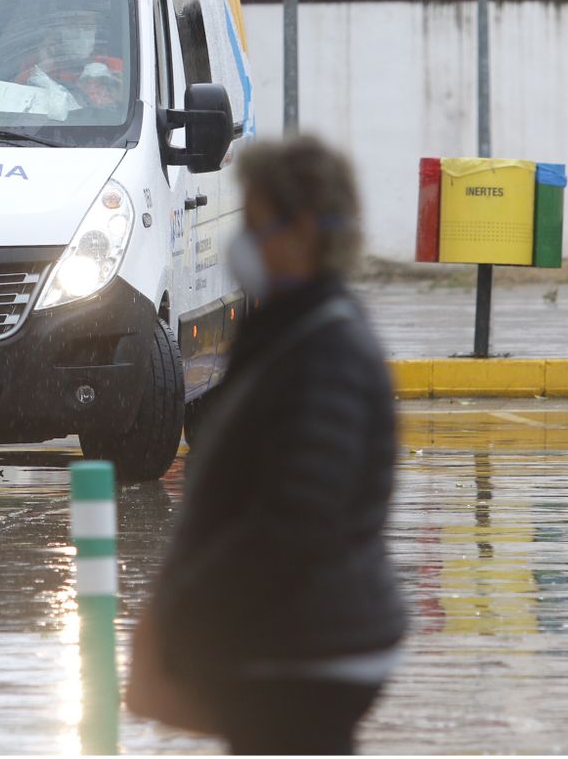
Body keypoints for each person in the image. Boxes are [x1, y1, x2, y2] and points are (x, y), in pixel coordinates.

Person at [129, 134, 407, 755]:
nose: (242, 244)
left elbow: (295, 522)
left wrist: (179, 609)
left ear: (301, 231)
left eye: (254, 224)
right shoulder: (293, 332)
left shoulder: (323, 353)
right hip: (299, 634)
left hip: (310, 642)